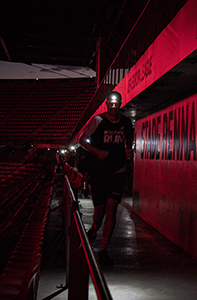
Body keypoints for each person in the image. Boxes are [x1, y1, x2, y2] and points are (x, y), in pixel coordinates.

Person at [78, 91, 134, 265]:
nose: (114, 105)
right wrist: (98, 152)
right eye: (111, 102)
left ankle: (103, 251)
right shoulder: (98, 121)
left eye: (117, 102)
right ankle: (94, 228)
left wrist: (128, 151)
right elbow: (82, 140)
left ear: (121, 103)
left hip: (118, 170)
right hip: (100, 171)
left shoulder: (126, 122)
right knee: (99, 213)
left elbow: (128, 142)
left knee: (112, 209)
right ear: (107, 103)